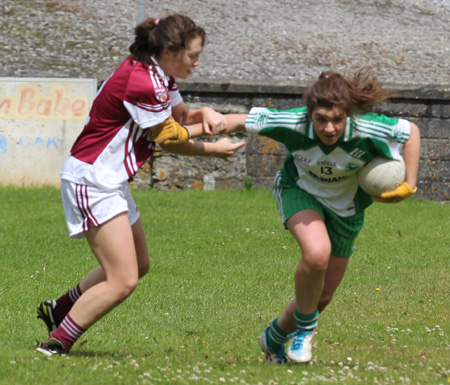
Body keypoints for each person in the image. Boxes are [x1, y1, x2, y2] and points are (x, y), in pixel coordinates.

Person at [36, 14, 245, 356]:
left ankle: (60, 310)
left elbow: (179, 117)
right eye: (192, 55)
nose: (197, 62)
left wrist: (204, 112)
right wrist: (213, 149)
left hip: (108, 181)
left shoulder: (158, 73)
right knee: (123, 279)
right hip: (93, 181)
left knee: (140, 264)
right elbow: (169, 138)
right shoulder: (143, 82)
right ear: (167, 51)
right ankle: (56, 344)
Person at [219, 68, 421, 364]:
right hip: (300, 190)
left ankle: (274, 338)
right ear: (309, 114)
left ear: (348, 114)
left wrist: (410, 183)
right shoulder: (295, 122)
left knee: (320, 298)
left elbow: (411, 132)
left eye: (337, 119)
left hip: (347, 208)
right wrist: (192, 126)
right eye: (321, 119)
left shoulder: (368, 127)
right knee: (316, 254)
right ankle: (305, 332)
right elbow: (236, 120)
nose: (329, 128)